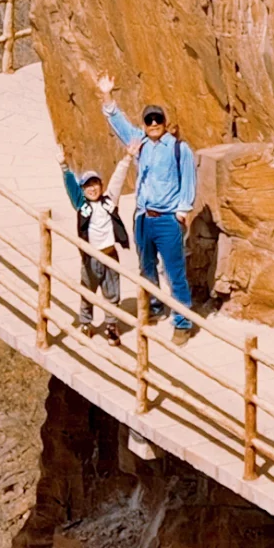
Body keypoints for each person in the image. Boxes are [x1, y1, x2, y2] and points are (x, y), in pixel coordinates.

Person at [97, 74, 196, 346]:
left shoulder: (178, 148)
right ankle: (152, 307)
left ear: (164, 123)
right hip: (143, 217)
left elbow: (188, 179)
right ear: (144, 124)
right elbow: (117, 122)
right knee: (146, 267)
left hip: (167, 218)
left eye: (157, 120)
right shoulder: (139, 142)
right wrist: (107, 94)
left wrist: (183, 209)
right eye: (149, 120)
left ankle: (182, 321)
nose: (153, 125)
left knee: (175, 271)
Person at [57, 145, 132, 344]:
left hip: (110, 255)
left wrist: (127, 158)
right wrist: (64, 166)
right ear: (83, 190)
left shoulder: (109, 202)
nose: (92, 189)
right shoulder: (82, 206)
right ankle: (86, 322)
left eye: (95, 184)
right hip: (91, 257)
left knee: (112, 292)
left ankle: (111, 325)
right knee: (87, 291)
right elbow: (71, 188)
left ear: (101, 184)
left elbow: (117, 179)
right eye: (87, 186)